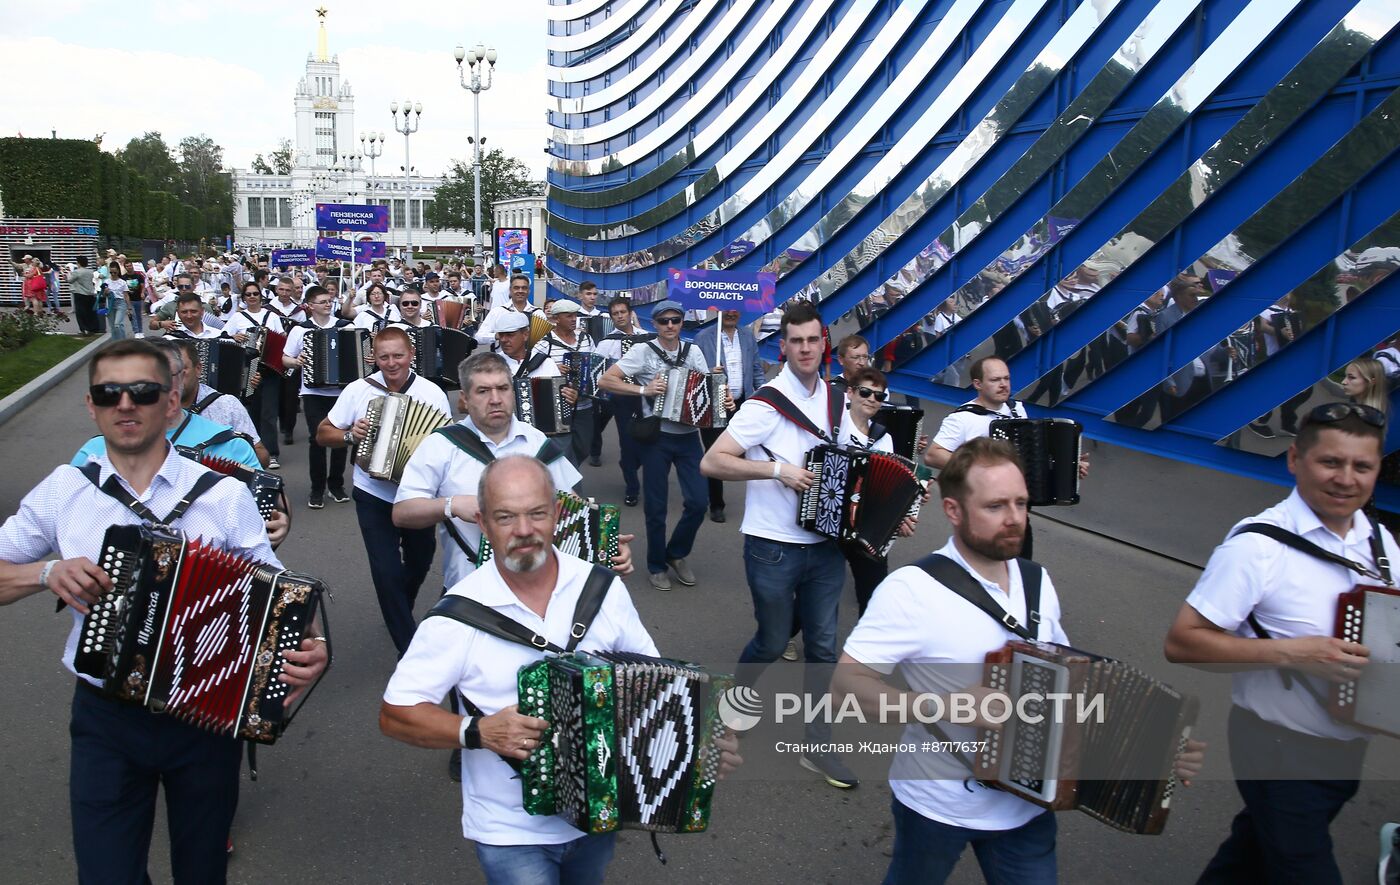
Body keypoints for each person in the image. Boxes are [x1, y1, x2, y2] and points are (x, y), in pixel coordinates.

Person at [0, 338, 324, 883]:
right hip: (106, 717)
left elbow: (279, 595)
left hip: (205, 713)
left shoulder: (223, 495)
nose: (125, 404)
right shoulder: (65, 490)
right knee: (106, 874)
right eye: (109, 393)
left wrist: (312, 645)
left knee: (202, 869)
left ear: (171, 401)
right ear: (91, 406)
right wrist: (45, 572)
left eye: (143, 392)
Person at [380, 454, 738, 883]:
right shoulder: (456, 617)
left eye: (536, 513)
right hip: (508, 830)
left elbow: (658, 684)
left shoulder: (601, 588)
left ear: (556, 515)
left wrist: (699, 744)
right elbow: (395, 714)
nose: (524, 530)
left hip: (600, 818)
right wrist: (477, 731)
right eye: (506, 517)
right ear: (483, 523)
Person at [1165, 403, 1399, 885]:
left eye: (1362, 466)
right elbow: (1183, 642)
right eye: (1330, 462)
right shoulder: (1257, 547)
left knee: (1251, 854)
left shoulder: (1379, 542)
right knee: (1302, 866)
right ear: (1295, 459)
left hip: (1346, 749)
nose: (1346, 479)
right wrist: (1296, 653)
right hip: (1276, 747)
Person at [700, 300, 872, 789]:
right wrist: (777, 470)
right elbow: (713, 462)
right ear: (784, 346)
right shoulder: (764, 404)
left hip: (825, 544)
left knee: (823, 646)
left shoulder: (837, 400)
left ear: (824, 345)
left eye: (813, 340)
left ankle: (818, 744)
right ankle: (732, 707)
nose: (805, 349)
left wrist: (891, 504)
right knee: (773, 641)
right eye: (796, 341)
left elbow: (854, 458)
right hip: (772, 545)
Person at [318, 327, 452, 656]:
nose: (392, 363)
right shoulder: (358, 390)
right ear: (373, 358)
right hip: (372, 493)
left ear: (411, 355)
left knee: (420, 561)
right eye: (384, 357)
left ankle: (399, 606)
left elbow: (448, 444)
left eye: (398, 356)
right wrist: (350, 436)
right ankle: (410, 651)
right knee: (386, 571)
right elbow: (323, 433)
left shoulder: (432, 393)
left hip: (417, 496)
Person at [601, 299, 722, 590]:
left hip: (688, 436)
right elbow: (606, 380)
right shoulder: (643, 351)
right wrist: (643, 389)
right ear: (654, 324)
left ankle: (676, 553)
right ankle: (656, 565)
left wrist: (721, 394)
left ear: (681, 323)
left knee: (698, 502)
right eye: (664, 321)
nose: (670, 325)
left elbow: (707, 391)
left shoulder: (693, 351)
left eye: (675, 320)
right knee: (656, 507)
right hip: (657, 437)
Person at [924, 356, 1089, 557]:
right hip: (983, 516)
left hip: (1018, 516)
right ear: (977, 384)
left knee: (1020, 567)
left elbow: (1033, 456)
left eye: (1006, 379)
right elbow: (933, 455)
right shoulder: (962, 419)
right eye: (995, 380)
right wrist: (981, 469)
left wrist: (1068, 466)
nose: (1003, 385)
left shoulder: (1017, 409)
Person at [281, 286, 352, 508]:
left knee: (341, 439)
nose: (328, 304)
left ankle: (336, 484)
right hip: (313, 392)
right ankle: (317, 489)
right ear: (310, 306)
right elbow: (285, 358)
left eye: (329, 301)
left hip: (341, 392)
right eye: (322, 302)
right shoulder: (300, 330)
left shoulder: (345, 326)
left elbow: (360, 350)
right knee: (317, 439)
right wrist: (296, 362)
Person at [696, 308, 763, 523]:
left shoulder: (747, 336)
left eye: (735, 310)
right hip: (713, 403)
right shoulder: (704, 337)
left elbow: (756, 369)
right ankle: (716, 504)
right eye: (726, 310)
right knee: (713, 451)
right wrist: (708, 373)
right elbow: (693, 372)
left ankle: (760, 501)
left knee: (750, 450)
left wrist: (763, 396)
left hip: (742, 403)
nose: (731, 313)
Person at [592, 297, 653, 505]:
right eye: (615, 314)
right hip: (621, 397)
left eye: (622, 312)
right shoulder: (606, 343)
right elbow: (597, 371)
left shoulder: (646, 337)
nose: (619, 316)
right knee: (627, 442)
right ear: (611, 317)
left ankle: (630, 464)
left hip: (647, 395)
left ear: (630, 313)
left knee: (649, 440)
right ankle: (632, 488)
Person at [222, 282, 289, 469]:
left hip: (269, 369)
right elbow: (224, 335)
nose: (252, 297)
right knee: (251, 408)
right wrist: (234, 337)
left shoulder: (272, 316)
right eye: (248, 294)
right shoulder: (238, 317)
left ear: (261, 296)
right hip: (247, 367)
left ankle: (271, 452)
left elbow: (282, 337)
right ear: (244, 298)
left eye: (255, 294)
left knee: (269, 412)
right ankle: (255, 449)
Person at [532, 299, 596, 467]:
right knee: (563, 449)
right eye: (568, 316)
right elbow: (530, 369)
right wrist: (552, 367)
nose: (574, 319)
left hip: (584, 404)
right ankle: (569, 476)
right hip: (557, 407)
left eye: (575, 315)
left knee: (584, 446)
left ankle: (570, 470)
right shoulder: (544, 342)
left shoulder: (586, 339)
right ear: (556, 318)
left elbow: (596, 365)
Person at [475, 274, 542, 344]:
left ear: (529, 291)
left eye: (524, 288)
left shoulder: (538, 313)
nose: (520, 291)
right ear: (510, 290)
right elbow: (478, 337)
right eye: (516, 288)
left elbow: (546, 340)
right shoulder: (498, 312)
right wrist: (498, 335)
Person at [66, 256, 101, 334]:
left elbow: (70, 281)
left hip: (80, 293)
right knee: (90, 312)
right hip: (90, 294)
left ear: (78, 263)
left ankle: (84, 328)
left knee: (81, 312)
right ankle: (93, 328)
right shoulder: (90, 271)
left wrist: (66, 276)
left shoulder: (77, 272)